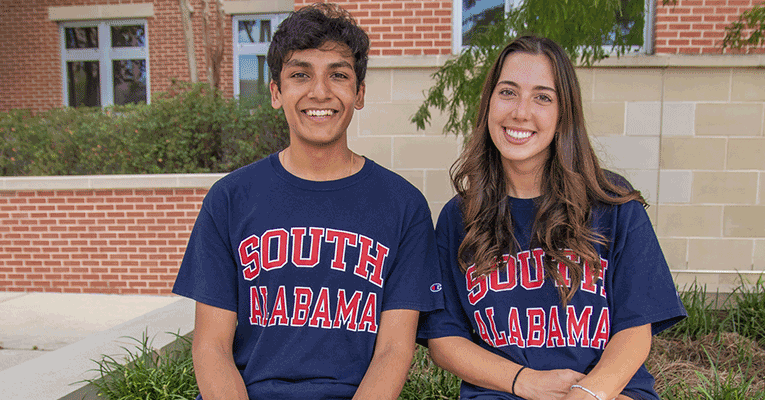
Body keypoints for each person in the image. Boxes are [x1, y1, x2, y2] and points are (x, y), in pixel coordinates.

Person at [172, 4, 443, 399]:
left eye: (338, 75)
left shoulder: (404, 206)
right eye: (301, 75)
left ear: (359, 93)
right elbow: (211, 346)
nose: (320, 91)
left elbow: (393, 351)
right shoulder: (229, 199)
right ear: (276, 93)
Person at [418, 36, 687, 400]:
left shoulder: (611, 202)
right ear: (489, 104)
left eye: (542, 97)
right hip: (502, 392)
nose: (520, 112)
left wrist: (588, 393)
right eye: (508, 92)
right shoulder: (460, 217)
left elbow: (635, 327)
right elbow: (444, 339)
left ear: (564, 114)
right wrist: (524, 381)